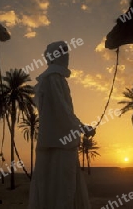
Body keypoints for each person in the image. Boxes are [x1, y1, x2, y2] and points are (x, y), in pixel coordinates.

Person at [28, 41, 95, 209]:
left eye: (67, 51)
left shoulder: (50, 79)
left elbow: (63, 111)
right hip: (60, 144)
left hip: (52, 141)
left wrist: (79, 126)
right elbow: (62, 110)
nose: (67, 55)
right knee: (62, 187)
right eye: (64, 52)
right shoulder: (54, 79)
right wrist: (82, 128)